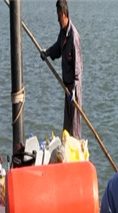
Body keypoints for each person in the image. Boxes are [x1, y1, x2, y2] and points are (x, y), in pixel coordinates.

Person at [41, 0, 82, 138]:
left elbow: (78, 66)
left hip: (73, 88)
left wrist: (75, 89)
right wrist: (47, 52)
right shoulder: (63, 33)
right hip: (66, 85)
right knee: (67, 123)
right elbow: (58, 48)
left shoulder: (73, 36)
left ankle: (76, 147)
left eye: (59, 16)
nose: (58, 19)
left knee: (74, 124)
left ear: (64, 14)